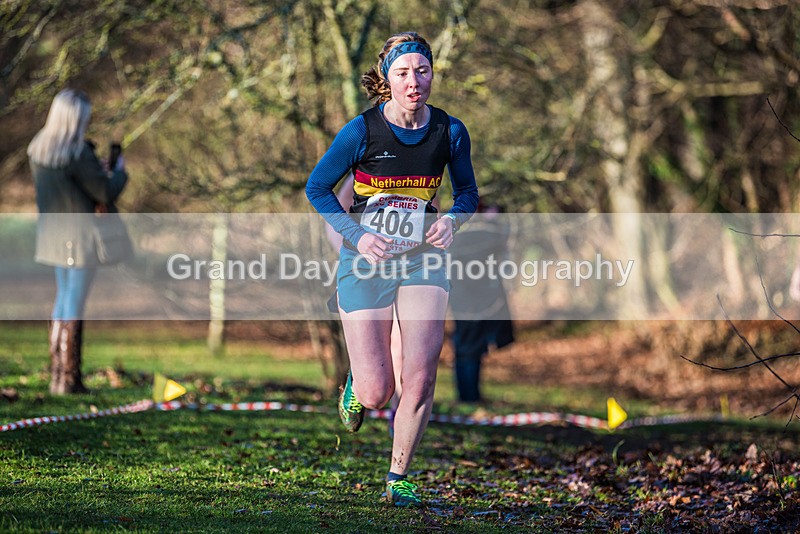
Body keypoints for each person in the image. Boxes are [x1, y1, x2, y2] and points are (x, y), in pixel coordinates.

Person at [306, 32, 479, 507]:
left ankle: (398, 476)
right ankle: (357, 385)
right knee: (377, 392)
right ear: (387, 79)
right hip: (367, 260)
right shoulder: (360, 131)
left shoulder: (450, 131)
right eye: (403, 73)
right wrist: (358, 235)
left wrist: (452, 221)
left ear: (432, 74)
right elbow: (317, 188)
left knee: (421, 376)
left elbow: (468, 193)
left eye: (422, 71)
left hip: (424, 258)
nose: (413, 81)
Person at [28, 88, 128, 395]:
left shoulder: (40, 149)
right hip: (79, 238)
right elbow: (104, 192)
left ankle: (59, 375)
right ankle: (69, 379)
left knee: (62, 299)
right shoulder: (76, 153)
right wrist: (119, 173)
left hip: (53, 237)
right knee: (73, 302)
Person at [447, 203, 514, 403]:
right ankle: (468, 397)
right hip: (471, 300)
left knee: (469, 348)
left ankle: (469, 395)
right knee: (469, 348)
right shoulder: (480, 234)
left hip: (465, 299)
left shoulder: (457, 232)